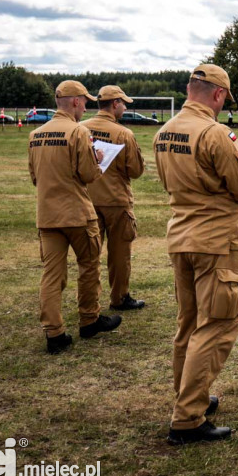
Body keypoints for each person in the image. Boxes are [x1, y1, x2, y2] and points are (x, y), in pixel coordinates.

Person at [154, 64, 238, 445]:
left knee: (188, 322)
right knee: (217, 324)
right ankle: (188, 416)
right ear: (218, 95)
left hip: (181, 235)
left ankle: (188, 395)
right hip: (215, 241)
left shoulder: (164, 132)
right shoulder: (216, 134)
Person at [28, 80, 122, 355]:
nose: (85, 108)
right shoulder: (78, 132)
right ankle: (89, 320)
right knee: (89, 266)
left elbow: (35, 177)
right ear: (76, 102)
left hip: (47, 216)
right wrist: (99, 158)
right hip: (78, 215)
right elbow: (89, 175)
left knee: (52, 275)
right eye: (84, 102)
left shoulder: (35, 134)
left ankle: (54, 333)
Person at [82, 85, 147, 311]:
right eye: (124, 103)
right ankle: (119, 297)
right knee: (120, 254)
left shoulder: (80, 129)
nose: (126, 106)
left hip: (87, 200)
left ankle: (89, 303)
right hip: (117, 202)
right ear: (115, 104)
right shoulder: (123, 133)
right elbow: (136, 171)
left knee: (90, 256)